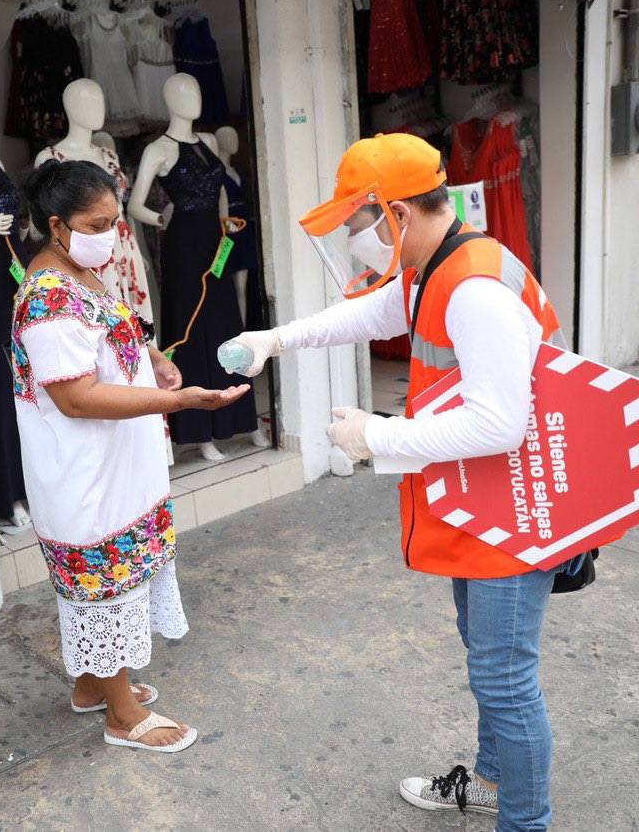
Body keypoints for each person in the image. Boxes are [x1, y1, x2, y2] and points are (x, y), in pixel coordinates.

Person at [228, 133, 581, 831]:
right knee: (489, 664)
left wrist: (375, 435)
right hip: (482, 502)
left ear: (395, 215)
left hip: (513, 513)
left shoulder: (474, 287)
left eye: (357, 224)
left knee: (505, 682)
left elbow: (500, 425)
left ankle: (525, 821)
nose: (355, 239)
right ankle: (491, 783)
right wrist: (278, 338)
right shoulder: (433, 266)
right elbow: (372, 312)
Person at [12, 160, 251, 753]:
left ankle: (94, 685)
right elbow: (74, 395)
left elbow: (116, 334)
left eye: (116, 220)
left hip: (117, 463)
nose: (111, 233)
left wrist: (154, 359)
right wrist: (176, 399)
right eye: (97, 223)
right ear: (56, 225)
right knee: (105, 586)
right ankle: (122, 717)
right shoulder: (45, 297)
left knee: (117, 579)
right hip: (86, 471)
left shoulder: (78, 273)